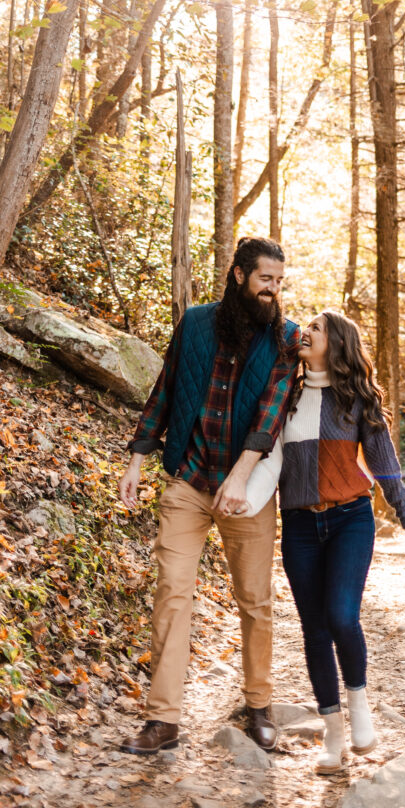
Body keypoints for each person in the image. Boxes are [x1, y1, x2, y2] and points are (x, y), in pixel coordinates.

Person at [117, 237, 300, 755]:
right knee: (172, 594)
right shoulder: (196, 323)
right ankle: (163, 721)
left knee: (255, 602)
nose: (273, 290)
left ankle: (260, 706)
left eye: (280, 282)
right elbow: (165, 391)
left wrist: (241, 480)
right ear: (239, 275)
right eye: (266, 279)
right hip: (189, 482)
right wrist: (136, 460)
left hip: (247, 492)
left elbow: (269, 416)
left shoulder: (286, 338)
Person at [276, 310, 405, 774]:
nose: (305, 332)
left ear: (335, 343)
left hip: (350, 520)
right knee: (314, 631)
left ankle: (359, 702)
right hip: (298, 525)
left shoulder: (357, 400)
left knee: (341, 615)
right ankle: (332, 736)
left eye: (316, 328)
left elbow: (383, 461)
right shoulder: (285, 395)